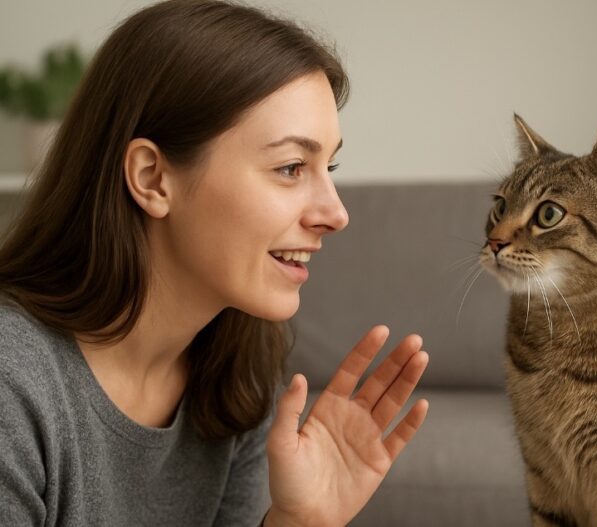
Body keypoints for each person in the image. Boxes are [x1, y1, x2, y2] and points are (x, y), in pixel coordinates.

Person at [0, 1, 430, 525]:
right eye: (291, 167)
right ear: (153, 178)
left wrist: (299, 522)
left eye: (329, 165)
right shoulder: (13, 383)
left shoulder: (237, 378)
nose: (336, 214)